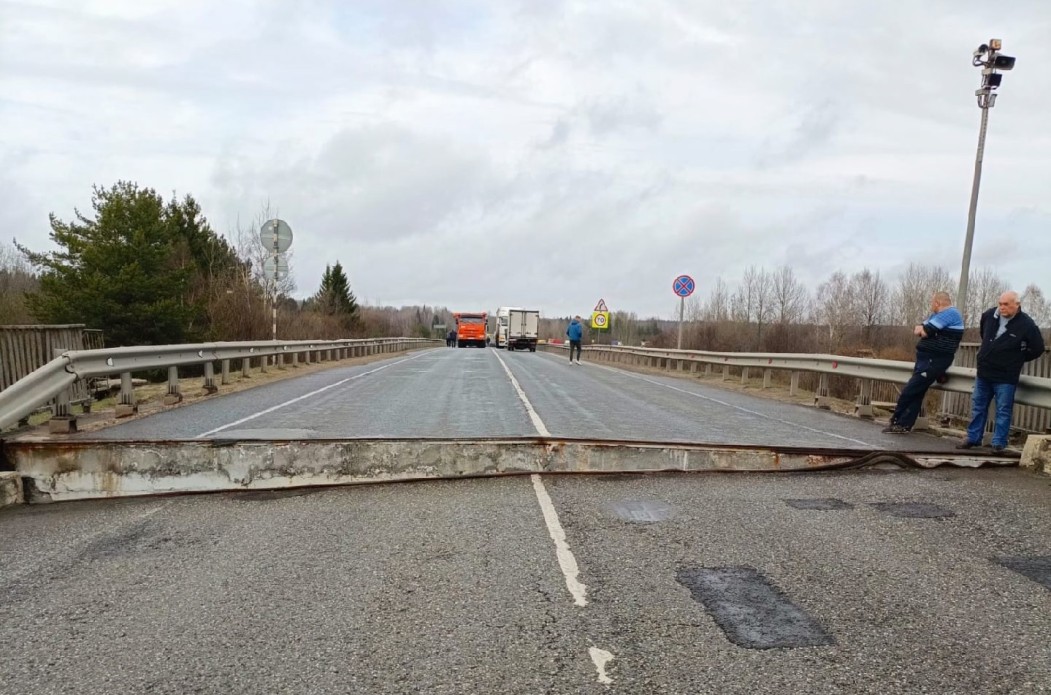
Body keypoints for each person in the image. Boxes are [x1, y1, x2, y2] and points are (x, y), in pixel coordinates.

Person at [957, 290, 1045, 452]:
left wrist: (1018, 358)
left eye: (1006, 304)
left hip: (1006, 375)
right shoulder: (990, 315)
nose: (1002, 307)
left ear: (1016, 305)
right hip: (985, 371)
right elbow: (985, 334)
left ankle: (999, 442)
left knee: (1003, 409)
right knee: (978, 406)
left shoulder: (1026, 324)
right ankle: (973, 437)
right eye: (1000, 304)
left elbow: (1038, 348)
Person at [882, 291, 965, 433]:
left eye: (932, 302)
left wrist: (925, 331)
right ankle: (903, 424)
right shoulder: (936, 315)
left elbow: (925, 331)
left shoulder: (951, 313)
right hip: (925, 358)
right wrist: (924, 330)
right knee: (917, 392)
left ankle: (896, 418)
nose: (931, 305)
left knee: (910, 390)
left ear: (938, 303)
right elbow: (918, 329)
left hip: (935, 359)